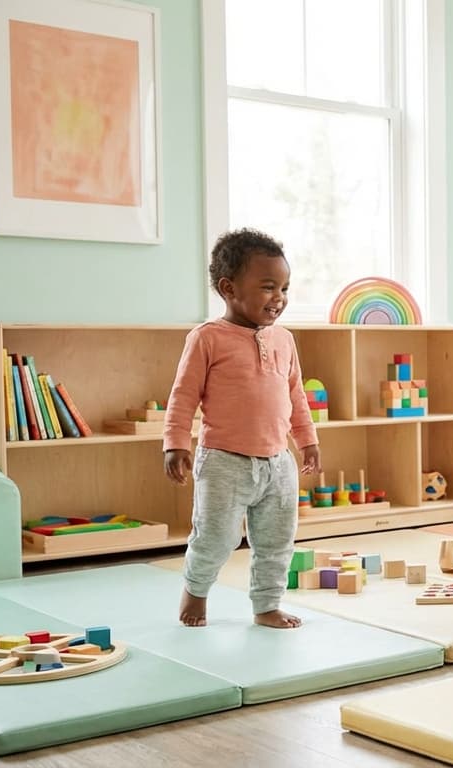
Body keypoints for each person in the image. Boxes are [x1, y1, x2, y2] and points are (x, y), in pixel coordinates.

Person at [165, 228, 322, 629]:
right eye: (268, 287)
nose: (280, 298)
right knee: (215, 539)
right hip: (223, 463)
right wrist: (176, 443)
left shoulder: (284, 339)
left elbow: (295, 396)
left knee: (276, 542)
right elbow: (183, 395)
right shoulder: (207, 338)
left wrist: (307, 440)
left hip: (278, 464)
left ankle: (267, 605)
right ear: (228, 288)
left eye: (285, 287)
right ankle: (196, 592)